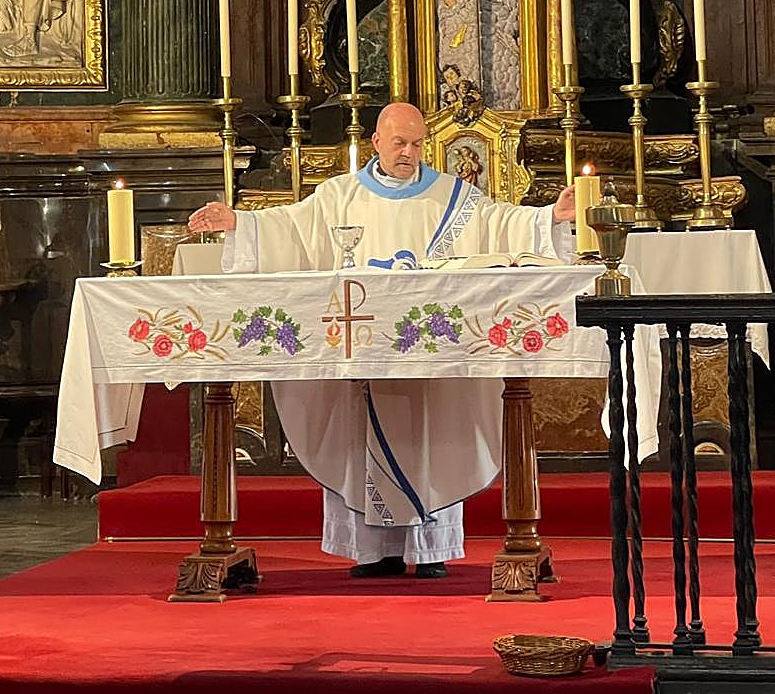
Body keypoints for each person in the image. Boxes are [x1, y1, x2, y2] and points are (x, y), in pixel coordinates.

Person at [188, 103, 576, 579]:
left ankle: (431, 549)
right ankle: (373, 551)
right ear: (376, 142)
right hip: (359, 352)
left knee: (430, 432)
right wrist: (239, 225)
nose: (409, 153)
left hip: (432, 363)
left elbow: (503, 223)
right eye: (399, 143)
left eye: (416, 144)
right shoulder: (339, 197)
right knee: (359, 434)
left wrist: (548, 219)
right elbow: (288, 229)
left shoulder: (454, 197)